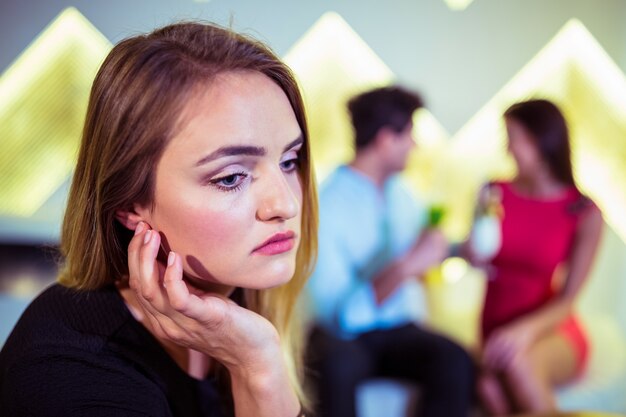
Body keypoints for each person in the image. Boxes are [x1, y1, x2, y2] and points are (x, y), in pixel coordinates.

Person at [0, 22, 318, 417]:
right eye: (231, 177)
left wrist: (256, 359)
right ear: (131, 205)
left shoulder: (246, 317)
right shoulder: (72, 374)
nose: (285, 204)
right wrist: (258, 368)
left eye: (289, 161)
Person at [305, 86, 474, 417]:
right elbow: (344, 317)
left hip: (398, 331)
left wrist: (459, 250)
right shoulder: (328, 205)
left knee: (456, 360)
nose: (415, 145)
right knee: (337, 366)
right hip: (345, 336)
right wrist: (406, 267)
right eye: (409, 135)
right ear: (385, 140)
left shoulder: (403, 193)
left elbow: (427, 249)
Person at [468, 99, 603, 415]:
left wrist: (523, 332)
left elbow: (568, 299)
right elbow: (478, 252)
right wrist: (468, 253)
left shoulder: (582, 211)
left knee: (520, 365)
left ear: (540, 140)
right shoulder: (491, 192)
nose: (507, 149)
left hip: (548, 330)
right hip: (495, 333)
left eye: (513, 138)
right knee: (486, 389)